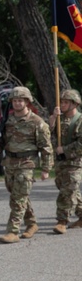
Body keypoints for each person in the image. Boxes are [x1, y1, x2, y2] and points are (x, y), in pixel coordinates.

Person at [0, 86, 52, 243]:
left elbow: (46, 147)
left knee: (18, 198)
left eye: (20, 100)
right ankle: (31, 224)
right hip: (10, 163)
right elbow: (2, 141)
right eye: (15, 100)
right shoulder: (7, 121)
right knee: (17, 196)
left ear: (27, 102)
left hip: (27, 163)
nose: (17, 103)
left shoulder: (37, 122)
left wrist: (46, 168)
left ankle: (13, 231)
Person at [49, 88, 82, 234]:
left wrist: (65, 149)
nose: (62, 104)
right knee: (69, 190)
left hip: (75, 162)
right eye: (61, 102)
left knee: (67, 192)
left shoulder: (80, 120)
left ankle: (62, 221)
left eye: (66, 102)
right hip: (61, 163)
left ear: (74, 104)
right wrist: (53, 118)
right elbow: (48, 134)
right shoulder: (59, 118)